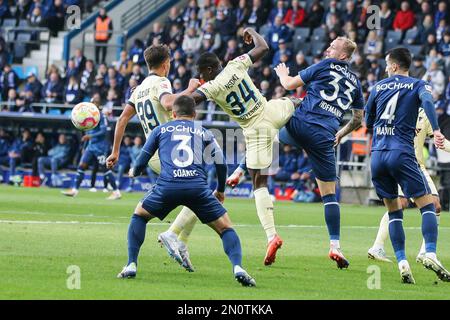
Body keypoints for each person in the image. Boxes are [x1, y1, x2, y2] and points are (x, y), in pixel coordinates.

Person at [163, 27, 302, 267]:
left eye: (201, 73)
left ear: (207, 70)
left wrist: (181, 93)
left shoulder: (211, 87)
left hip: (255, 129)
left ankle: (272, 235)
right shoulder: (235, 64)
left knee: (259, 184)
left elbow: (187, 102)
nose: (202, 77)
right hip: (270, 110)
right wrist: (250, 31)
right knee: (296, 100)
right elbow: (264, 48)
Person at [117, 95, 256, 287]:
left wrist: (135, 172)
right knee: (225, 228)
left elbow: (142, 160)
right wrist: (220, 190)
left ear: (173, 113)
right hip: (197, 188)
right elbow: (221, 163)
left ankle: (131, 264)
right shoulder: (203, 132)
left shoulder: (160, 129)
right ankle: (238, 267)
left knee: (139, 215)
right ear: (195, 113)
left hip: (167, 186)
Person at [269, 36, 365, 269]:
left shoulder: (325, 65)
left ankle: (240, 171)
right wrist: (341, 134)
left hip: (301, 125)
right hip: (325, 137)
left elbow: (290, 84)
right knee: (329, 196)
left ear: (343, 56)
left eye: (333, 47)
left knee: (270, 126)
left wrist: (282, 73)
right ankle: (335, 246)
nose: (327, 48)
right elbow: (359, 119)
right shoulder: (356, 83)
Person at [106, 44, 201, 272]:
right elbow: (169, 103)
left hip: (154, 155)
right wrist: (189, 89)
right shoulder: (162, 82)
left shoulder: (138, 90)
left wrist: (115, 151)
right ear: (166, 63)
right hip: (171, 153)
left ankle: (176, 241)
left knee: (198, 194)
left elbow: (122, 120)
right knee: (205, 192)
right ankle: (174, 235)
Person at [365, 47, 449, 283]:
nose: (384, 68)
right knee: (428, 206)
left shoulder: (378, 87)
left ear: (393, 66)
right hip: (402, 154)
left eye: (386, 64)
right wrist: (438, 129)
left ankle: (402, 262)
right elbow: (429, 103)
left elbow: (369, 120)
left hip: (377, 155)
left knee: (394, 212)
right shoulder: (417, 84)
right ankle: (429, 252)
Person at [62, 95, 121, 200]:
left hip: (100, 147)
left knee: (105, 169)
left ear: (98, 104)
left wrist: (91, 136)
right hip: (90, 146)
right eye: (93, 101)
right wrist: (85, 145)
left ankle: (116, 192)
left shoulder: (101, 117)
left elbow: (104, 131)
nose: (94, 103)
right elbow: (88, 132)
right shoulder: (87, 117)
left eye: (96, 102)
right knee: (81, 166)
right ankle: (74, 190)